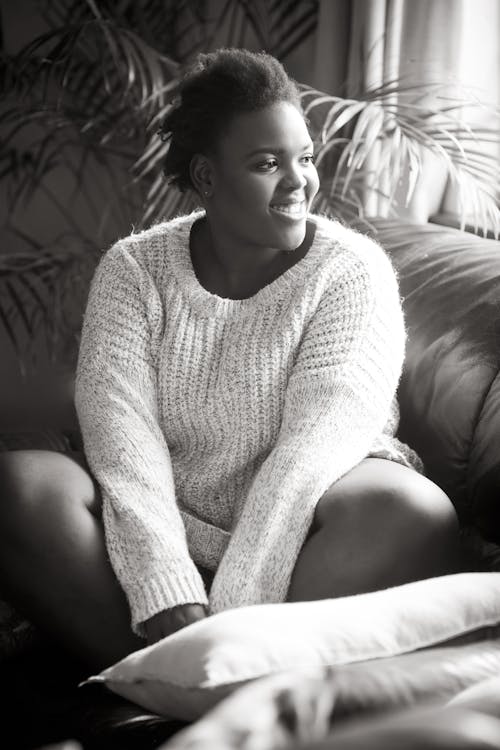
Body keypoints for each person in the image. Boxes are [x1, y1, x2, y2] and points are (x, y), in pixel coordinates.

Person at [0, 48, 459, 671]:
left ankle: (206, 674)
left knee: (412, 511)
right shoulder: (135, 271)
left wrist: (237, 606)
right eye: (267, 163)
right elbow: (121, 435)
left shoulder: (350, 272)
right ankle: (168, 678)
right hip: (155, 524)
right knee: (22, 485)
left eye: (305, 157)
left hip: (306, 530)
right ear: (207, 177)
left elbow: (315, 449)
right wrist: (167, 587)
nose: (299, 181)